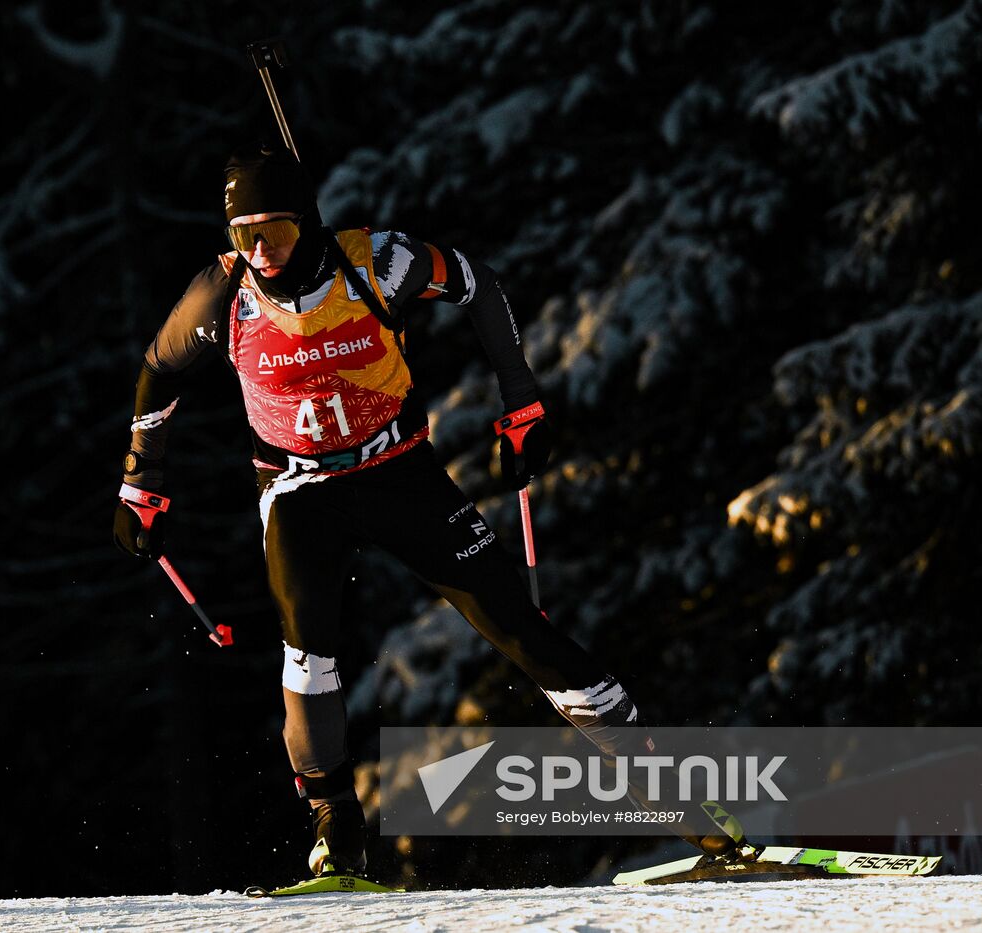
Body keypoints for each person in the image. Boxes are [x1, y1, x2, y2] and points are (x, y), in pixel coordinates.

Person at [113, 143, 744, 877]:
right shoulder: (224, 294)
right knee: (308, 653)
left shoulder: (378, 262)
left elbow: (476, 284)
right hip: (297, 491)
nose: (261, 251)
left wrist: (521, 397)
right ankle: (334, 831)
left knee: (517, 625)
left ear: (307, 222)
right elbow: (159, 370)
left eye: (276, 232)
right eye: (243, 234)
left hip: (399, 471)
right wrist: (139, 481)